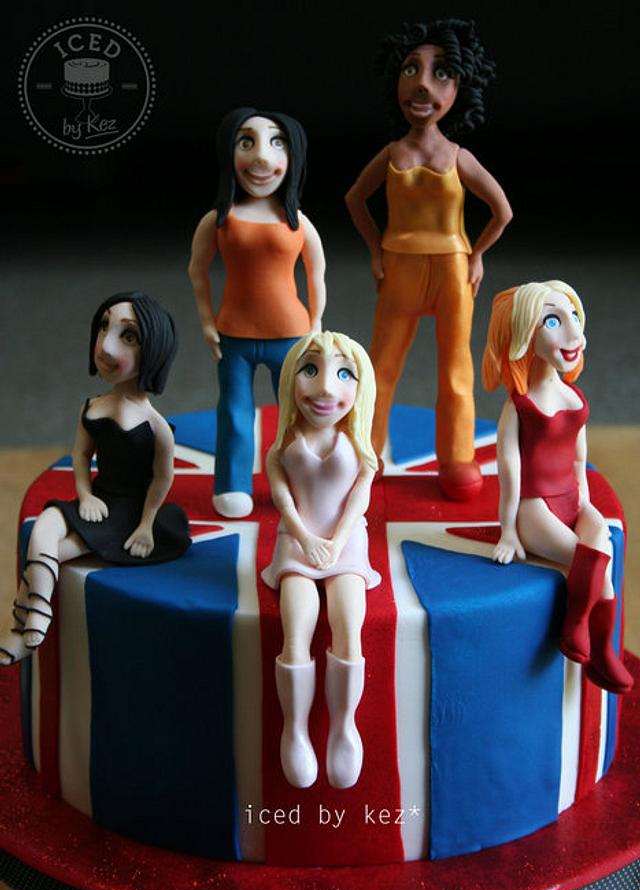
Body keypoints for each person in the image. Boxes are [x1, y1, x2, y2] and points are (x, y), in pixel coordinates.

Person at [345, 18, 512, 500]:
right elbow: (355, 200)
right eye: (410, 70)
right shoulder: (391, 153)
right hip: (399, 267)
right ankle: (366, 452)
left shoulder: (459, 157)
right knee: (381, 365)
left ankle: (457, 458)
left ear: (460, 87)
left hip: (452, 270)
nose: (422, 85)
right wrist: (375, 249)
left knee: (456, 367)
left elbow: (502, 211)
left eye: (440, 73)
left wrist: (476, 255)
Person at [1, 291, 190, 666]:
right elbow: (81, 456)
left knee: (55, 552)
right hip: (98, 500)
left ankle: (24, 623)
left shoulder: (156, 427)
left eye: (128, 336)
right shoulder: (91, 407)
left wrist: (146, 525)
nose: (105, 346)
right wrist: (84, 495)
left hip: (127, 514)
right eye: (104, 327)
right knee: (45, 526)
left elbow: (162, 480)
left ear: (153, 350)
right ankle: (38, 615)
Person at [482, 280, 633, 694]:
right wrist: (509, 530)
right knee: (594, 560)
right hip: (536, 508)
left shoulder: (574, 396)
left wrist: (585, 504)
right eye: (552, 320)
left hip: (572, 500)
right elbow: (509, 470)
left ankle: (595, 644)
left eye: (573, 317)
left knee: (601, 546)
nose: (573, 333)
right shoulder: (519, 407)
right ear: (524, 334)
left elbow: (579, 459)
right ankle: (582, 632)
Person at [188, 107, 326, 518]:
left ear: (293, 155)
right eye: (246, 142)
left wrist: (316, 324)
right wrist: (207, 321)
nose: (261, 157)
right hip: (233, 335)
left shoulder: (298, 222)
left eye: (276, 142)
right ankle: (232, 483)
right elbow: (197, 270)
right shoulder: (219, 220)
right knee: (234, 412)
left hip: (291, 334)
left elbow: (317, 274)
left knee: (299, 412)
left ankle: (302, 481)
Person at [262, 331, 380, 789]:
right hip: (296, 543)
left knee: (349, 626)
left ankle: (343, 727)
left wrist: (336, 542)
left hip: (345, 546)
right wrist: (306, 539)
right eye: (310, 370)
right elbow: (283, 502)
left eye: (344, 373)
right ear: (290, 380)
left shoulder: (359, 447)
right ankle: (294, 730)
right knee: (297, 627)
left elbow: (358, 503)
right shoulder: (281, 448)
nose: (326, 387)